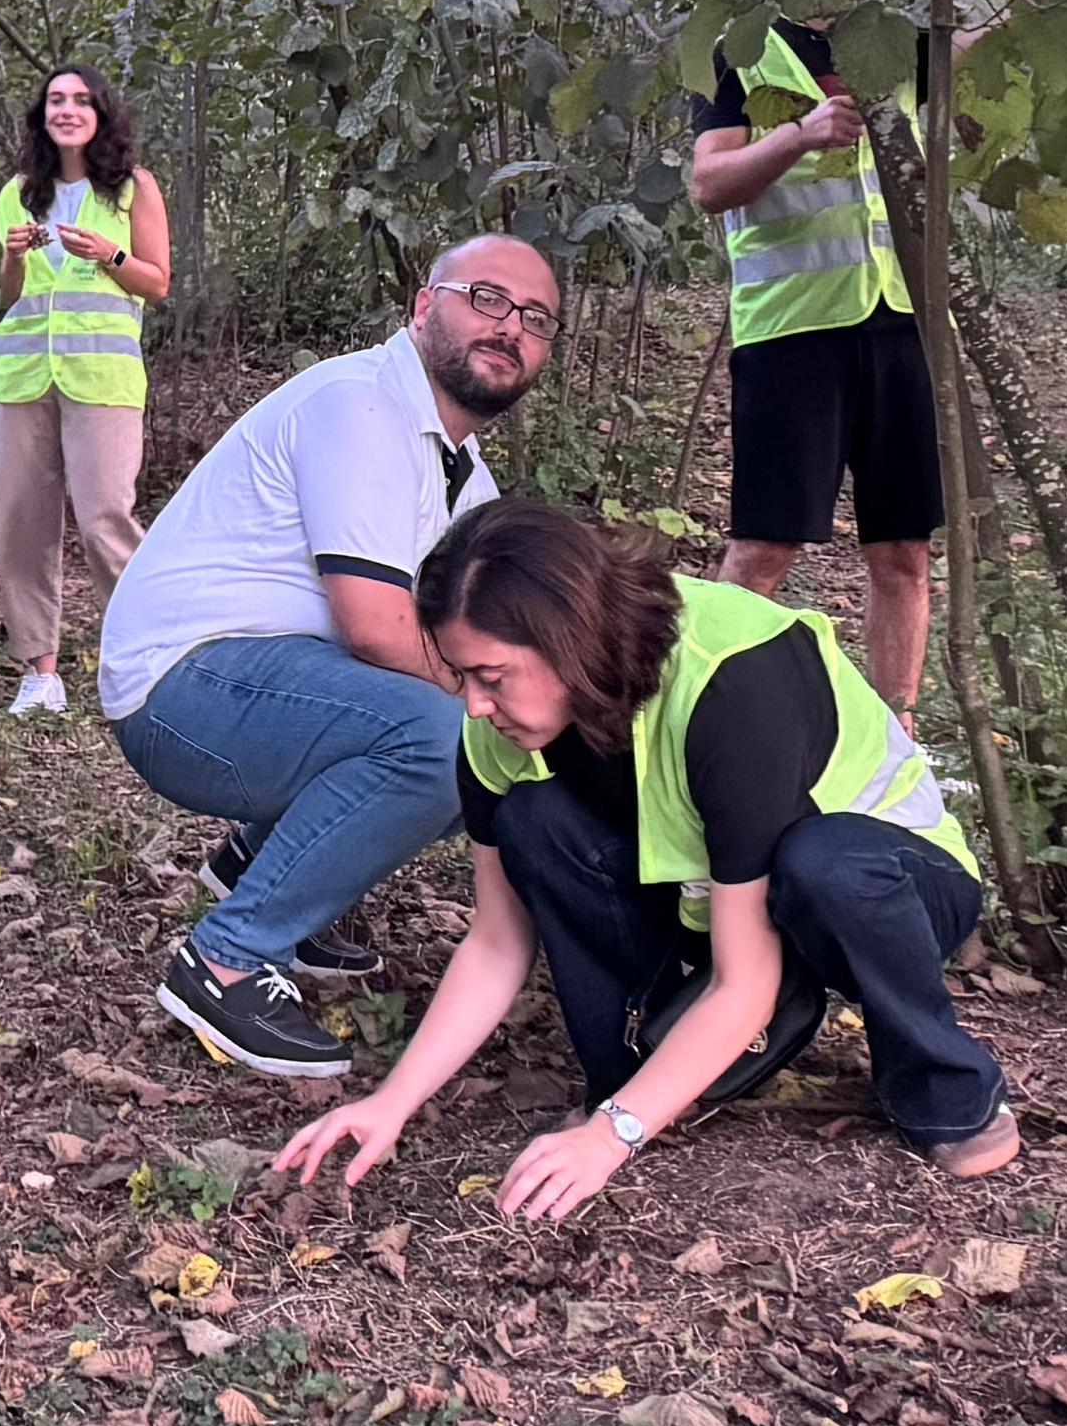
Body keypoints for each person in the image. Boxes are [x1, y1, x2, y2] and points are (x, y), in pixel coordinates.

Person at [267, 497, 1018, 1220]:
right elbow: (497, 943)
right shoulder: (497, 732)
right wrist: (393, 1100)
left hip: (891, 887)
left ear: (567, 641)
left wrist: (613, 1136)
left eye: (491, 678)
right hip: (719, 896)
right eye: (462, 677)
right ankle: (646, 1069)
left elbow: (743, 978)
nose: (474, 705)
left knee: (823, 865)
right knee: (537, 818)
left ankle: (945, 1085)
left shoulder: (734, 682)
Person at [94, 234, 555, 1081]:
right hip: (183, 684)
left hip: (262, 684)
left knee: (489, 742)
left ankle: (261, 862)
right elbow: (379, 629)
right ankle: (225, 962)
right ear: (424, 307)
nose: (509, 328)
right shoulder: (362, 403)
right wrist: (504, 699)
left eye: (534, 319)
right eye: (486, 298)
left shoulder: (465, 475)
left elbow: (460, 634)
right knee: (450, 733)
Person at [686, 0, 939, 709]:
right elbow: (708, 182)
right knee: (764, 548)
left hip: (897, 323)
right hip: (792, 332)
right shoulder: (743, 49)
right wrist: (799, 134)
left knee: (904, 551)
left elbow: (984, 51)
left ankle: (897, 743)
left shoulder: (892, 44)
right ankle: (702, 720)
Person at [0, 61, 168, 716]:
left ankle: (152, 649)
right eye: (55, 100)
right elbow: (10, 298)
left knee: (103, 518)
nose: (67, 109)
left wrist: (108, 257)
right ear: (42, 116)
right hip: (21, 374)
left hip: (104, 376)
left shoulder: (131, 189)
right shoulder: (18, 192)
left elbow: (158, 282)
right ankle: (40, 672)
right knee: (23, 522)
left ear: (100, 114)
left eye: (81, 101)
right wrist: (13, 255)